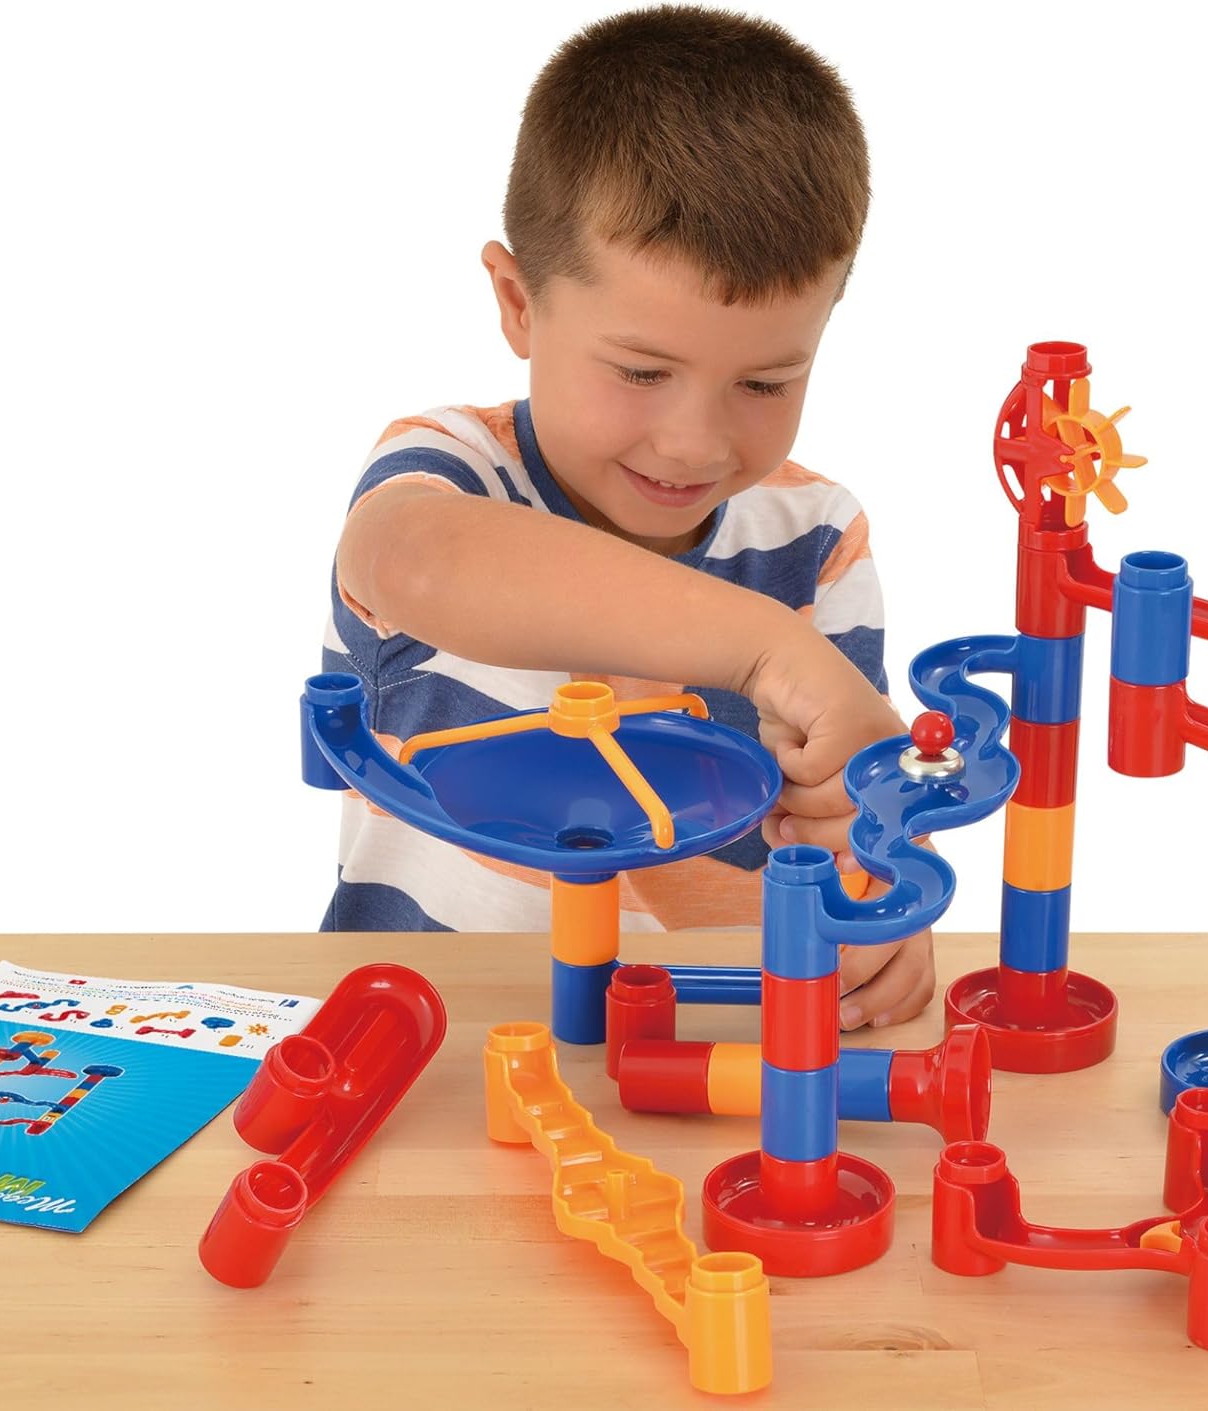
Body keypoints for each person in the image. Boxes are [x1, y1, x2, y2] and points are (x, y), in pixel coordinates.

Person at [324, 4, 934, 1032]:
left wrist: (881, 899)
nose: (695, 444)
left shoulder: (815, 538)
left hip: (702, 1050)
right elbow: (417, 565)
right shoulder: (453, 473)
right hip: (427, 1048)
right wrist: (767, 650)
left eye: (765, 381)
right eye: (643, 372)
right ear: (519, 302)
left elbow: (845, 822)